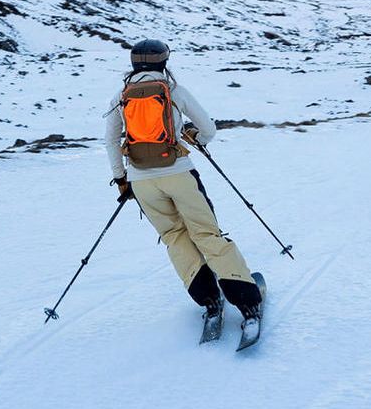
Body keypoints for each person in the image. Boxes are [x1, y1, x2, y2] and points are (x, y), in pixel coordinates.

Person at [104, 38, 262, 337]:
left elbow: (111, 140)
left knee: (175, 237)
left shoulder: (120, 97)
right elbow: (209, 131)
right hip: (178, 173)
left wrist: (122, 178)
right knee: (206, 234)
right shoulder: (174, 91)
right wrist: (191, 135)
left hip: (141, 181)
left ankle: (210, 301)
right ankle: (247, 304)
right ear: (164, 61)